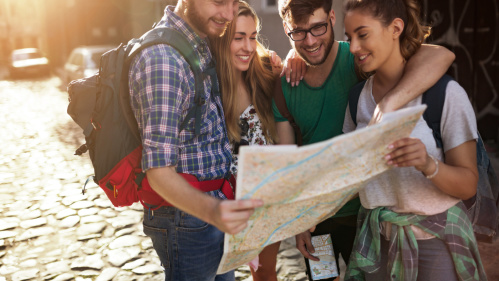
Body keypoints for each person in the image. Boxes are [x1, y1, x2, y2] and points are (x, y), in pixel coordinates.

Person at [275, 0, 455, 280]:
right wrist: (300, 221)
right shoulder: (286, 83)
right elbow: (290, 165)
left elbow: (440, 55)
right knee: (323, 278)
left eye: (318, 27)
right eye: (298, 32)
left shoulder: (358, 57)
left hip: (367, 216)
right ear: (286, 30)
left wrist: (389, 104)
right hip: (318, 220)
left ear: (332, 17)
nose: (309, 41)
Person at [342, 0, 487, 280]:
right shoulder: (356, 99)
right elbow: (351, 175)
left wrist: (427, 164)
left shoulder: (446, 93)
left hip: (437, 246)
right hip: (378, 242)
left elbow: (469, 185)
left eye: (363, 34)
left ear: (396, 28)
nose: (354, 48)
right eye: (349, 38)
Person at [127, 1, 263, 280]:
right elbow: (159, 172)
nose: (228, 14)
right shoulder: (163, 59)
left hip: (210, 210)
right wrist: (215, 211)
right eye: (219, 2)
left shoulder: (199, 39)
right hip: (188, 219)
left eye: (233, 3)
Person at [210, 2, 282, 280]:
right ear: (222, 39)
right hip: (227, 205)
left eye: (252, 37)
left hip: (266, 199)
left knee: (264, 272)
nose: (248, 47)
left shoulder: (264, 74)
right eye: (238, 37)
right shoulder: (209, 87)